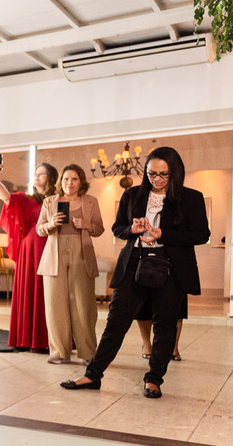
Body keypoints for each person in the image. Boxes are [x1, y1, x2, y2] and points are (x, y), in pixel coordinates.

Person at [63, 147, 208, 398]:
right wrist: (131, 229)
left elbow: (201, 235)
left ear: (175, 173)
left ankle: (153, 380)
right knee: (116, 321)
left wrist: (165, 234)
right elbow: (117, 228)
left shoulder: (191, 198)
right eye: (152, 174)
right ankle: (93, 374)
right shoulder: (132, 195)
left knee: (164, 326)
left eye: (164, 174)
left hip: (170, 267)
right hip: (134, 263)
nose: (157, 179)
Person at [35, 164, 104, 364]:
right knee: (55, 304)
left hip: (82, 255)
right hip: (54, 256)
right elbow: (39, 229)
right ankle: (59, 351)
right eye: (66, 179)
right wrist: (51, 224)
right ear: (60, 182)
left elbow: (99, 229)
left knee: (84, 305)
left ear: (81, 182)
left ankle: (88, 352)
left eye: (74, 179)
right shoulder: (50, 201)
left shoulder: (90, 202)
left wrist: (87, 225)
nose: (69, 183)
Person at [0, 160, 57, 352]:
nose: (36, 176)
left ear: (51, 178)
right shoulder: (25, 199)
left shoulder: (57, 200)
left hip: (51, 247)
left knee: (49, 294)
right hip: (30, 250)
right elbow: (5, 196)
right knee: (29, 290)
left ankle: (48, 340)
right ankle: (26, 339)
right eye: (35, 173)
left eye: (41, 173)